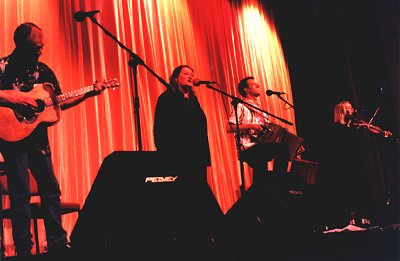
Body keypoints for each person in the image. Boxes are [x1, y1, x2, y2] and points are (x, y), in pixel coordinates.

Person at [0, 22, 104, 257]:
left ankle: (57, 244)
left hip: (38, 140)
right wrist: (14, 98)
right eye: (36, 46)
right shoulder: (3, 67)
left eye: (41, 46)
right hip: (13, 138)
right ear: (21, 45)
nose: (40, 50)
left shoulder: (43, 71)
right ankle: (24, 249)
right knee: (21, 194)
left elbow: (59, 102)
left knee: (50, 190)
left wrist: (88, 92)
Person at [153, 65, 221, 259]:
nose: (191, 77)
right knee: (182, 197)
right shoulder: (167, 99)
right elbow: (160, 128)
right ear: (176, 78)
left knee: (197, 197)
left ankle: (199, 237)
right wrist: (165, 154)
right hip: (177, 156)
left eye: (192, 74)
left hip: (197, 156)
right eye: (186, 74)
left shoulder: (193, 101)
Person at [227, 76, 290, 181]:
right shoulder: (241, 106)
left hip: (261, 146)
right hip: (248, 148)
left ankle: (266, 189)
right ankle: (279, 181)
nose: (258, 85)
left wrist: (286, 137)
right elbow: (229, 128)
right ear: (246, 89)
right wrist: (251, 126)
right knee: (282, 148)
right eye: (253, 84)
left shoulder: (261, 110)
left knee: (262, 178)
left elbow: (269, 129)